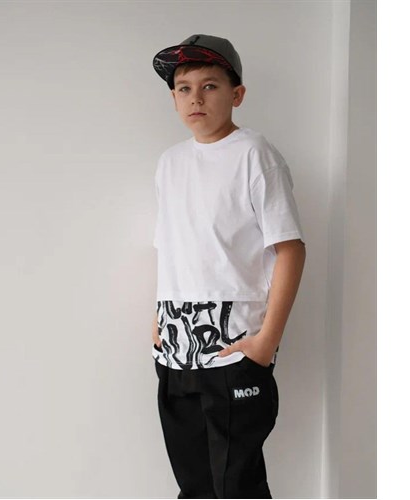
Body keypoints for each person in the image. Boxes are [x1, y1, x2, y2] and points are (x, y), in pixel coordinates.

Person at [150, 34, 306, 499]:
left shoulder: (254, 153)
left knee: (236, 484)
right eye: (183, 88)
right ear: (174, 99)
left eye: (210, 86)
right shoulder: (170, 162)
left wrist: (266, 340)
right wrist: (157, 318)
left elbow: (290, 249)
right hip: (175, 340)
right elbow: (170, 246)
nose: (195, 98)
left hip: (234, 341)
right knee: (194, 483)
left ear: (236, 94)